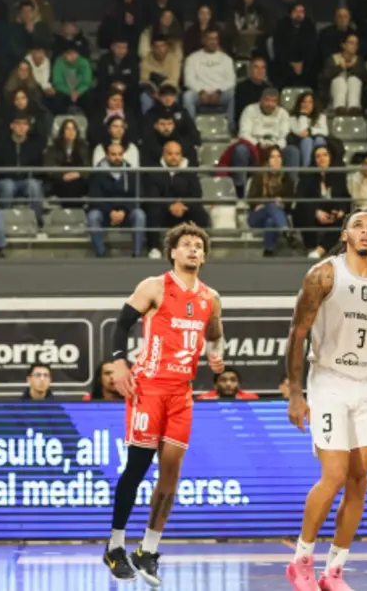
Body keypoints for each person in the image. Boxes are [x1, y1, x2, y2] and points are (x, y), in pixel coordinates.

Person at [284, 209, 367, 591]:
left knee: (359, 480)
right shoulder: (324, 274)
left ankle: (334, 570)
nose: (366, 231)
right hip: (329, 381)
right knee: (334, 475)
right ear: (346, 235)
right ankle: (301, 559)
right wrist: (296, 392)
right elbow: (298, 333)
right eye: (359, 226)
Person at [103, 223, 225, 586]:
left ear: (204, 255)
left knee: (171, 472)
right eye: (186, 245)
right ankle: (115, 546)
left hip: (181, 393)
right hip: (150, 387)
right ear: (173, 252)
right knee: (138, 467)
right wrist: (121, 362)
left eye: (198, 246)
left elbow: (215, 336)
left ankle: (149, 550)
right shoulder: (154, 286)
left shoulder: (210, 297)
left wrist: (216, 357)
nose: (192, 250)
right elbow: (121, 324)